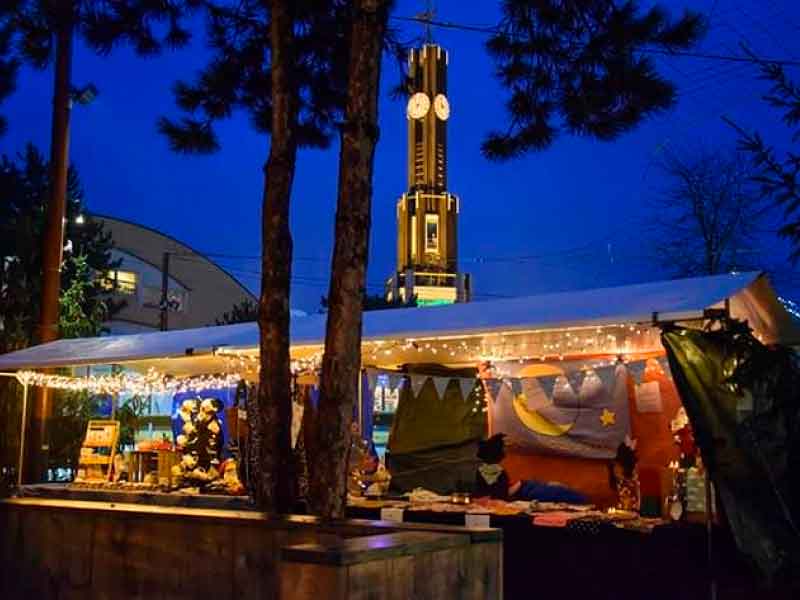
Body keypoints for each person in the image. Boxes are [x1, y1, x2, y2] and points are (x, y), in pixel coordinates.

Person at [475, 433, 587, 504]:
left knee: (557, 489)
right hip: (523, 491)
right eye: (503, 448)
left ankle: (560, 489)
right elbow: (500, 495)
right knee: (566, 494)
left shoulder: (489, 469)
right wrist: (519, 485)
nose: (505, 451)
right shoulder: (488, 469)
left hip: (524, 487)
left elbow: (499, 491)